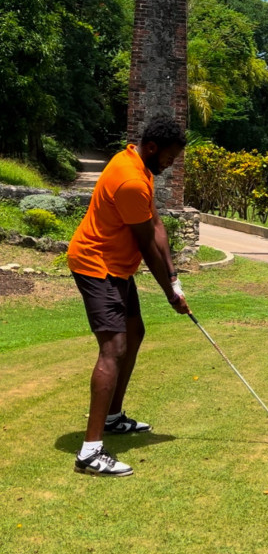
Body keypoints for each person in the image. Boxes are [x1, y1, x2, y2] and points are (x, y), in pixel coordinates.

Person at [67, 115, 191, 477]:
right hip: (96, 265)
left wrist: (174, 278)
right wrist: (170, 295)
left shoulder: (140, 167)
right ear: (151, 147)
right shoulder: (131, 179)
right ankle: (90, 453)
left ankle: (112, 417)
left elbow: (157, 226)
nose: (171, 164)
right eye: (169, 157)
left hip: (117, 266)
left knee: (134, 332)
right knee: (114, 348)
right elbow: (147, 245)